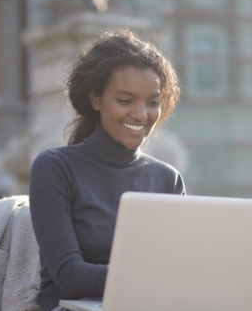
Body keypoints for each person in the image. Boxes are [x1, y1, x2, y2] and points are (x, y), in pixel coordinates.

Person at [29, 29, 186, 311]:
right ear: (96, 99)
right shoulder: (55, 168)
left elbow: (177, 266)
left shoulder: (167, 179)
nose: (141, 114)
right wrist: (154, 278)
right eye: (125, 100)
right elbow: (70, 276)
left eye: (152, 102)